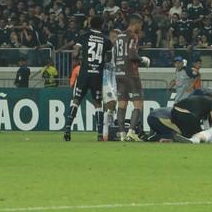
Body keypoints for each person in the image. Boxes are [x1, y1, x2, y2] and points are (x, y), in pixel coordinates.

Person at [63, 16, 107, 142]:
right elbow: (108, 57)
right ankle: (99, 133)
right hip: (97, 74)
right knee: (98, 104)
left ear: (90, 24)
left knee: (76, 100)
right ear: (102, 25)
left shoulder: (84, 36)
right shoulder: (106, 39)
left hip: (84, 73)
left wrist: (79, 61)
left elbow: (75, 53)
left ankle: (67, 128)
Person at [114, 14, 150, 142]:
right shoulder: (132, 36)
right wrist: (143, 60)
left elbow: (115, 55)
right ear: (136, 23)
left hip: (119, 73)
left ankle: (122, 133)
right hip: (130, 73)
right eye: (140, 25)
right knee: (138, 103)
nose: (141, 28)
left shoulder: (119, 36)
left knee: (122, 104)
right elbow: (132, 55)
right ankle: (131, 132)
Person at [147, 92, 212, 143]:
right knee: (196, 134)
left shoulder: (200, 101)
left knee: (186, 134)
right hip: (186, 114)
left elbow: (206, 126)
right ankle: (196, 140)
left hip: (175, 111)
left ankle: (156, 138)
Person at [100, 29, 121, 141]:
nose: (116, 39)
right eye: (114, 37)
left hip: (114, 76)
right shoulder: (105, 47)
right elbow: (104, 60)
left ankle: (111, 130)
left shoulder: (119, 50)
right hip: (105, 76)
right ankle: (105, 132)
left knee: (114, 104)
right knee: (109, 102)